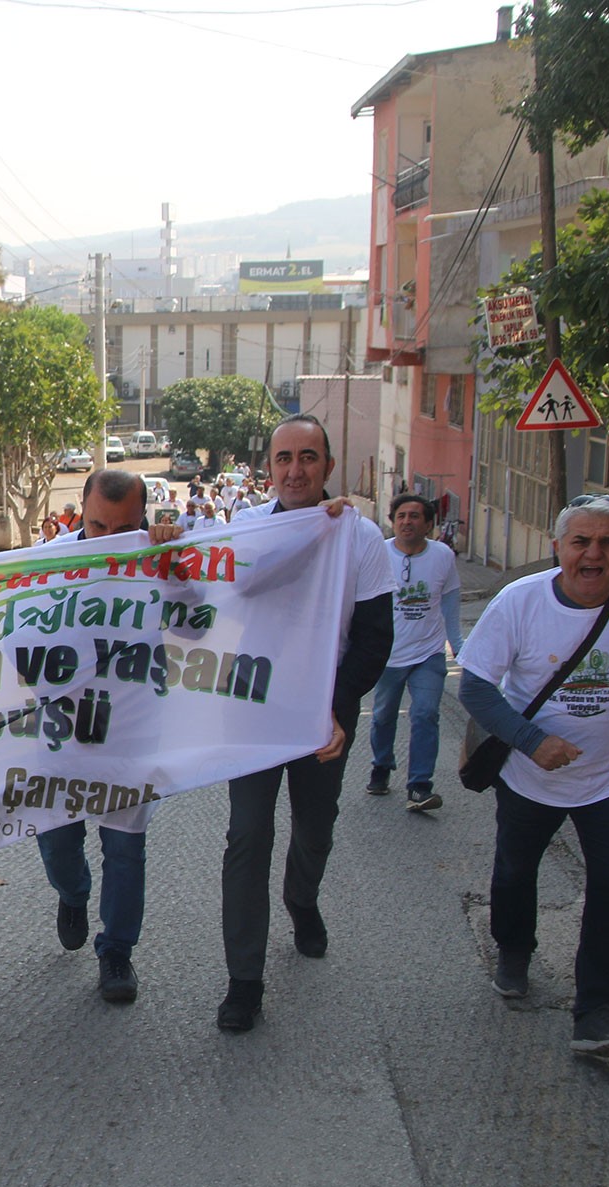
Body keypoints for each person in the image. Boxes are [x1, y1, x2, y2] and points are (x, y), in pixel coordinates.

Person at [458, 494, 609, 1059]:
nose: (593, 554)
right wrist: (532, 742)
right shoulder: (519, 602)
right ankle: (514, 948)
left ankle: (599, 1014)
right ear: (558, 548)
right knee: (516, 869)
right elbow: (474, 686)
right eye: (581, 542)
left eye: (608, 542)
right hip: (528, 776)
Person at [215, 415, 393, 1033]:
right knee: (248, 838)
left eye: (308, 457)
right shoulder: (241, 531)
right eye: (284, 458)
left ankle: (303, 900)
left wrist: (337, 712)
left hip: (324, 718)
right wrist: (162, 541)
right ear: (268, 469)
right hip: (255, 715)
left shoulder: (359, 538)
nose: (295, 470)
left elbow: (374, 640)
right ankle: (245, 981)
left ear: (328, 466)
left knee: (315, 829)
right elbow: (198, 606)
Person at [33, 469, 182, 1001]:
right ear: (81, 511)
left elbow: (196, 625)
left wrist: (177, 567)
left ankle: (117, 952)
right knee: (57, 843)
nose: (111, 541)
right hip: (60, 734)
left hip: (132, 731)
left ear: (143, 518)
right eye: (99, 527)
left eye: (125, 529)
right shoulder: (43, 564)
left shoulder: (159, 561)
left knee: (125, 848)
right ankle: (73, 894)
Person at [367, 492, 464, 812]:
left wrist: (458, 647)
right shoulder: (378, 553)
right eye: (401, 516)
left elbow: (449, 602)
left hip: (429, 654)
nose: (407, 522)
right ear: (392, 522)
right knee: (382, 716)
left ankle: (420, 785)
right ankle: (381, 765)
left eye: (415, 516)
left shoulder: (443, 556)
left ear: (429, 524)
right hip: (388, 654)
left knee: (425, 713)